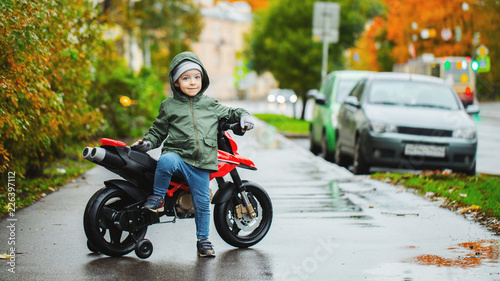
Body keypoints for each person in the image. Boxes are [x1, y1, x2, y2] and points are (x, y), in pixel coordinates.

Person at [130, 51, 254, 257]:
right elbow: (158, 131)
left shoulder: (210, 104)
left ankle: (203, 241)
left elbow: (231, 112)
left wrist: (244, 116)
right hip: (178, 156)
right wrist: (148, 142)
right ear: (176, 82)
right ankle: (158, 199)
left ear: (203, 79)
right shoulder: (169, 106)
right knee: (166, 160)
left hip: (202, 162)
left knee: (203, 203)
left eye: (196, 77)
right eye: (186, 78)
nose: (192, 82)